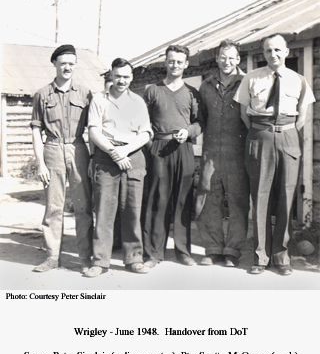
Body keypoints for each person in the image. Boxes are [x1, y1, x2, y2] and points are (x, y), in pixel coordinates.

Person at [234, 34, 315, 275]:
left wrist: (283, 133)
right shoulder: (251, 78)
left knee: (286, 196)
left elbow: (302, 115)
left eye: (278, 50)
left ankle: (281, 256)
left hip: (289, 137)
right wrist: (264, 133)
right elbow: (243, 114)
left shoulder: (299, 80)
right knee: (260, 196)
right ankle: (260, 256)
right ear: (263, 54)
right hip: (259, 136)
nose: (274, 54)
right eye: (269, 51)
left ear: (287, 52)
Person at [85, 58, 153, 277]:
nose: (122, 80)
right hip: (107, 158)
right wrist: (113, 152)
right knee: (104, 211)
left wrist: (125, 151)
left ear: (131, 78)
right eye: (117, 76)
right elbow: (94, 130)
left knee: (132, 210)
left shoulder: (138, 101)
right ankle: (100, 261)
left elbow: (145, 133)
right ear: (111, 76)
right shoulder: (99, 100)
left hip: (133, 157)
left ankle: (134, 258)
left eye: (126, 76)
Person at [31, 44, 93, 273]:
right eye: (63, 62)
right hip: (52, 149)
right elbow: (36, 130)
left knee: (84, 206)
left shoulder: (86, 94)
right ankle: (52, 257)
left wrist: (93, 158)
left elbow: (93, 129)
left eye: (71, 63)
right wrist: (40, 163)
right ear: (55, 64)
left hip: (78, 149)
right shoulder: (42, 94)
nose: (67, 67)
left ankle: (86, 257)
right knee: (53, 207)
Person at [143, 45, 204, 268]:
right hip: (159, 148)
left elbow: (200, 123)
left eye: (179, 62)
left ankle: (183, 251)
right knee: (158, 200)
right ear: (165, 62)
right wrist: (151, 146)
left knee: (183, 200)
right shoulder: (152, 90)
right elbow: (143, 123)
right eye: (171, 61)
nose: (175, 65)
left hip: (184, 149)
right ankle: (153, 253)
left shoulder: (192, 93)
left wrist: (188, 131)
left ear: (186, 64)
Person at [195, 40, 249, 268]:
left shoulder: (248, 83)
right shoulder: (206, 86)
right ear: (216, 58)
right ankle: (213, 248)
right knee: (209, 198)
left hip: (238, 152)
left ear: (238, 59)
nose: (227, 62)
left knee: (237, 200)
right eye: (222, 57)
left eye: (232, 57)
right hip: (211, 152)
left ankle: (233, 251)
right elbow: (201, 119)